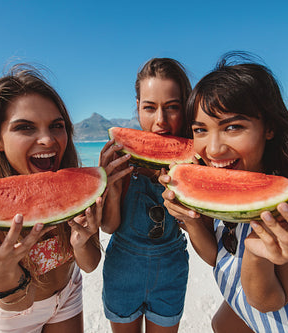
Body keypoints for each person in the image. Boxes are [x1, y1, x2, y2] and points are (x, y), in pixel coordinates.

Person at [159, 52, 288, 333]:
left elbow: (269, 300)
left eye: (232, 127)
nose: (213, 149)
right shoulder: (229, 176)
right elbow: (217, 257)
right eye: (200, 130)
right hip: (243, 308)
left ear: (269, 127)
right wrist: (192, 220)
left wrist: (258, 255)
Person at [0, 64, 128, 332]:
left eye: (57, 126)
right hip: (15, 315)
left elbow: (89, 265)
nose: (47, 139)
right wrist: (2, 277)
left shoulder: (77, 192)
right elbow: (19, 304)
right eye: (25, 127)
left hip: (69, 295)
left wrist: (80, 243)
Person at [99, 58, 192, 333]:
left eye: (172, 107)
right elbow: (109, 226)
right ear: (138, 107)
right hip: (122, 269)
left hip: (171, 270)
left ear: (184, 108)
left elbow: (198, 228)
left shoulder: (193, 160)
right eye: (149, 108)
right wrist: (112, 186)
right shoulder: (119, 157)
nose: (160, 121)